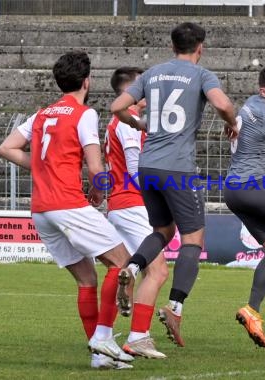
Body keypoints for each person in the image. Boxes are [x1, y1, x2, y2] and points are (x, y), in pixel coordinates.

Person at [0, 51, 134, 369]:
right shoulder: (83, 114)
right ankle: (103, 337)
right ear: (87, 81)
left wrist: (43, 168)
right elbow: (95, 164)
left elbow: (6, 147)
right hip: (68, 204)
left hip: (41, 211)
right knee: (122, 263)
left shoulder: (42, 114)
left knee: (87, 279)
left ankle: (100, 358)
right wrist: (100, 192)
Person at [110, 22, 238, 348]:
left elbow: (115, 107)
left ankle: (134, 266)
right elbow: (223, 105)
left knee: (163, 232)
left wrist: (138, 123)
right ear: (201, 47)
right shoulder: (202, 75)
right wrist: (231, 124)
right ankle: (176, 307)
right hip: (178, 168)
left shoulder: (152, 74)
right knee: (194, 238)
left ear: (172, 46)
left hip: (148, 165)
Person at [104, 67, 168, 359]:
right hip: (133, 204)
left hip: (120, 205)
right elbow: (133, 169)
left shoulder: (121, 121)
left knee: (122, 270)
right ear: (130, 88)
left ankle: (103, 340)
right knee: (157, 270)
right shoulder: (128, 122)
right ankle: (139, 336)